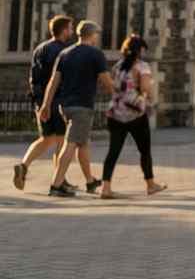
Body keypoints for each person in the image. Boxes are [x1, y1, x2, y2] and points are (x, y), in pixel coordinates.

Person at [36, 20, 115, 198]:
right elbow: (107, 82)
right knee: (70, 144)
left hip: (66, 106)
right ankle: (56, 185)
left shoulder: (65, 53)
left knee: (83, 142)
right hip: (82, 107)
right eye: (97, 35)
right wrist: (119, 95)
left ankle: (90, 181)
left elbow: (53, 82)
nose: (97, 38)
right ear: (92, 35)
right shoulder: (95, 54)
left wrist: (46, 105)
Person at [14, 16, 79, 193]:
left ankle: (23, 165)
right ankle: (60, 181)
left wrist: (40, 102)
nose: (72, 32)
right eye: (70, 28)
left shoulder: (39, 49)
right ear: (64, 30)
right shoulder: (65, 51)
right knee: (61, 142)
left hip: (40, 101)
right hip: (57, 101)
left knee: (47, 138)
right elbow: (61, 79)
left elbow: (33, 77)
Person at [99, 34, 166, 199]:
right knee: (144, 150)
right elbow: (145, 88)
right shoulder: (142, 67)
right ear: (140, 50)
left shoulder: (118, 66)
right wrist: (149, 94)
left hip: (115, 114)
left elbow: (113, 87)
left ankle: (105, 188)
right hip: (135, 115)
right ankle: (150, 185)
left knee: (113, 151)